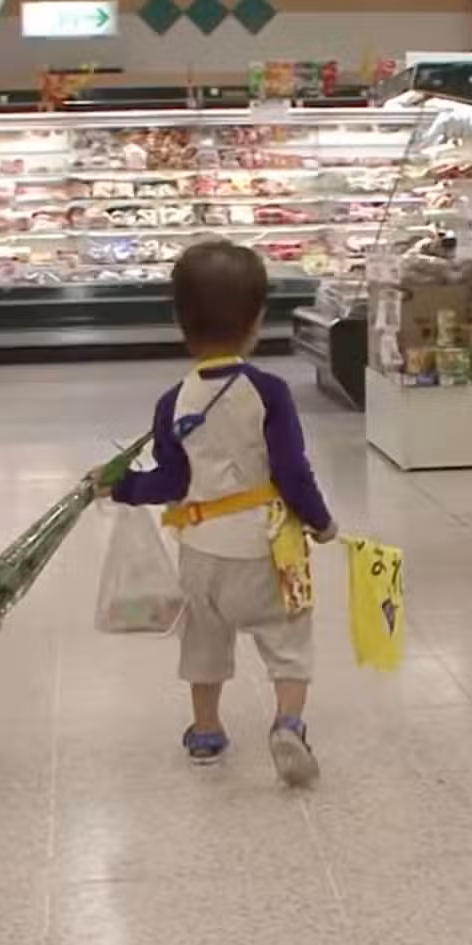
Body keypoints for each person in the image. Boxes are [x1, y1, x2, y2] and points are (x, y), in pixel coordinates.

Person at [100, 241, 336, 787]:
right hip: (268, 546)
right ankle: (288, 725)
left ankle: (206, 730)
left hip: (200, 551)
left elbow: (170, 482)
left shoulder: (173, 401)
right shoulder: (268, 392)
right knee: (288, 634)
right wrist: (322, 523)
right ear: (257, 319)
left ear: (179, 320)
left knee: (204, 639)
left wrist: (120, 486)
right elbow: (292, 472)